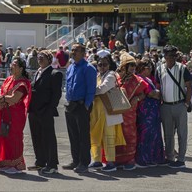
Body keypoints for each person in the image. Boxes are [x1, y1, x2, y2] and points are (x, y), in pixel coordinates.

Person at [0, 57, 32, 174]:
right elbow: (5, 94)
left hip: (16, 115)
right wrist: (2, 98)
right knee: (4, 136)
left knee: (14, 138)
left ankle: (15, 165)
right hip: (5, 113)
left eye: (15, 65)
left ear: (21, 68)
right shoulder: (9, 79)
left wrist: (1, 98)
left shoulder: (23, 83)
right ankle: (6, 162)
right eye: (12, 64)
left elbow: (14, 99)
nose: (12, 66)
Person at [155, 45, 192, 168]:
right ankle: (169, 157)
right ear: (164, 56)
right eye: (168, 55)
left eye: (173, 56)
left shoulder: (183, 68)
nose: (171, 58)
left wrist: (186, 102)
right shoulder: (159, 69)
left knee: (182, 133)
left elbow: (189, 86)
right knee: (168, 134)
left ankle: (181, 159)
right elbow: (158, 86)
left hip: (180, 104)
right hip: (165, 105)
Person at [62, 43, 96, 173]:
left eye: (76, 50)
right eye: (72, 50)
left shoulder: (89, 68)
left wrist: (87, 105)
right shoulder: (71, 67)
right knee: (73, 135)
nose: (73, 52)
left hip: (82, 105)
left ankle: (84, 162)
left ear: (83, 53)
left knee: (83, 136)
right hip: (71, 105)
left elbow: (91, 89)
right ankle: (75, 160)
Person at [27, 50, 63, 174]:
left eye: (43, 57)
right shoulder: (37, 72)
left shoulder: (54, 73)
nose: (40, 59)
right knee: (36, 137)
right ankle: (40, 162)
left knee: (48, 138)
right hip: (33, 111)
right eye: (39, 57)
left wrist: (49, 110)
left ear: (49, 59)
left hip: (45, 111)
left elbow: (56, 95)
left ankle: (52, 164)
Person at [89, 55, 126, 172]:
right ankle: (97, 161)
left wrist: (89, 91)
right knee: (95, 136)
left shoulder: (111, 75)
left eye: (105, 64)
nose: (102, 67)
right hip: (96, 110)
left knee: (108, 136)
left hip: (107, 111)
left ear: (109, 65)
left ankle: (110, 162)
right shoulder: (97, 75)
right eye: (100, 64)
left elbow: (102, 89)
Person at [115, 52, 149, 170]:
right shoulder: (117, 79)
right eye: (131, 66)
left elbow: (144, 94)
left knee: (130, 135)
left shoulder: (138, 81)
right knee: (117, 135)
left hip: (130, 113)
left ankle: (129, 160)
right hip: (117, 112)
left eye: (134, 66)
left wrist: (137, 98)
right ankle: (117, 160)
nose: (133, 68)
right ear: (124, 67)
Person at [134, 58, 164, 168]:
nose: (150, 69)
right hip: (146, 111)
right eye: (147, 67)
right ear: (142, 68)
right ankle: (143, 159)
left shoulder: (148, 78)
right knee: (145, 134)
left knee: (154, 134)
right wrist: (157, 93)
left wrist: (157, 93)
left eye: (151, 66)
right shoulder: (140, 78)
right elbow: (151, 93)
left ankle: (152, 157)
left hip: (153, 110)